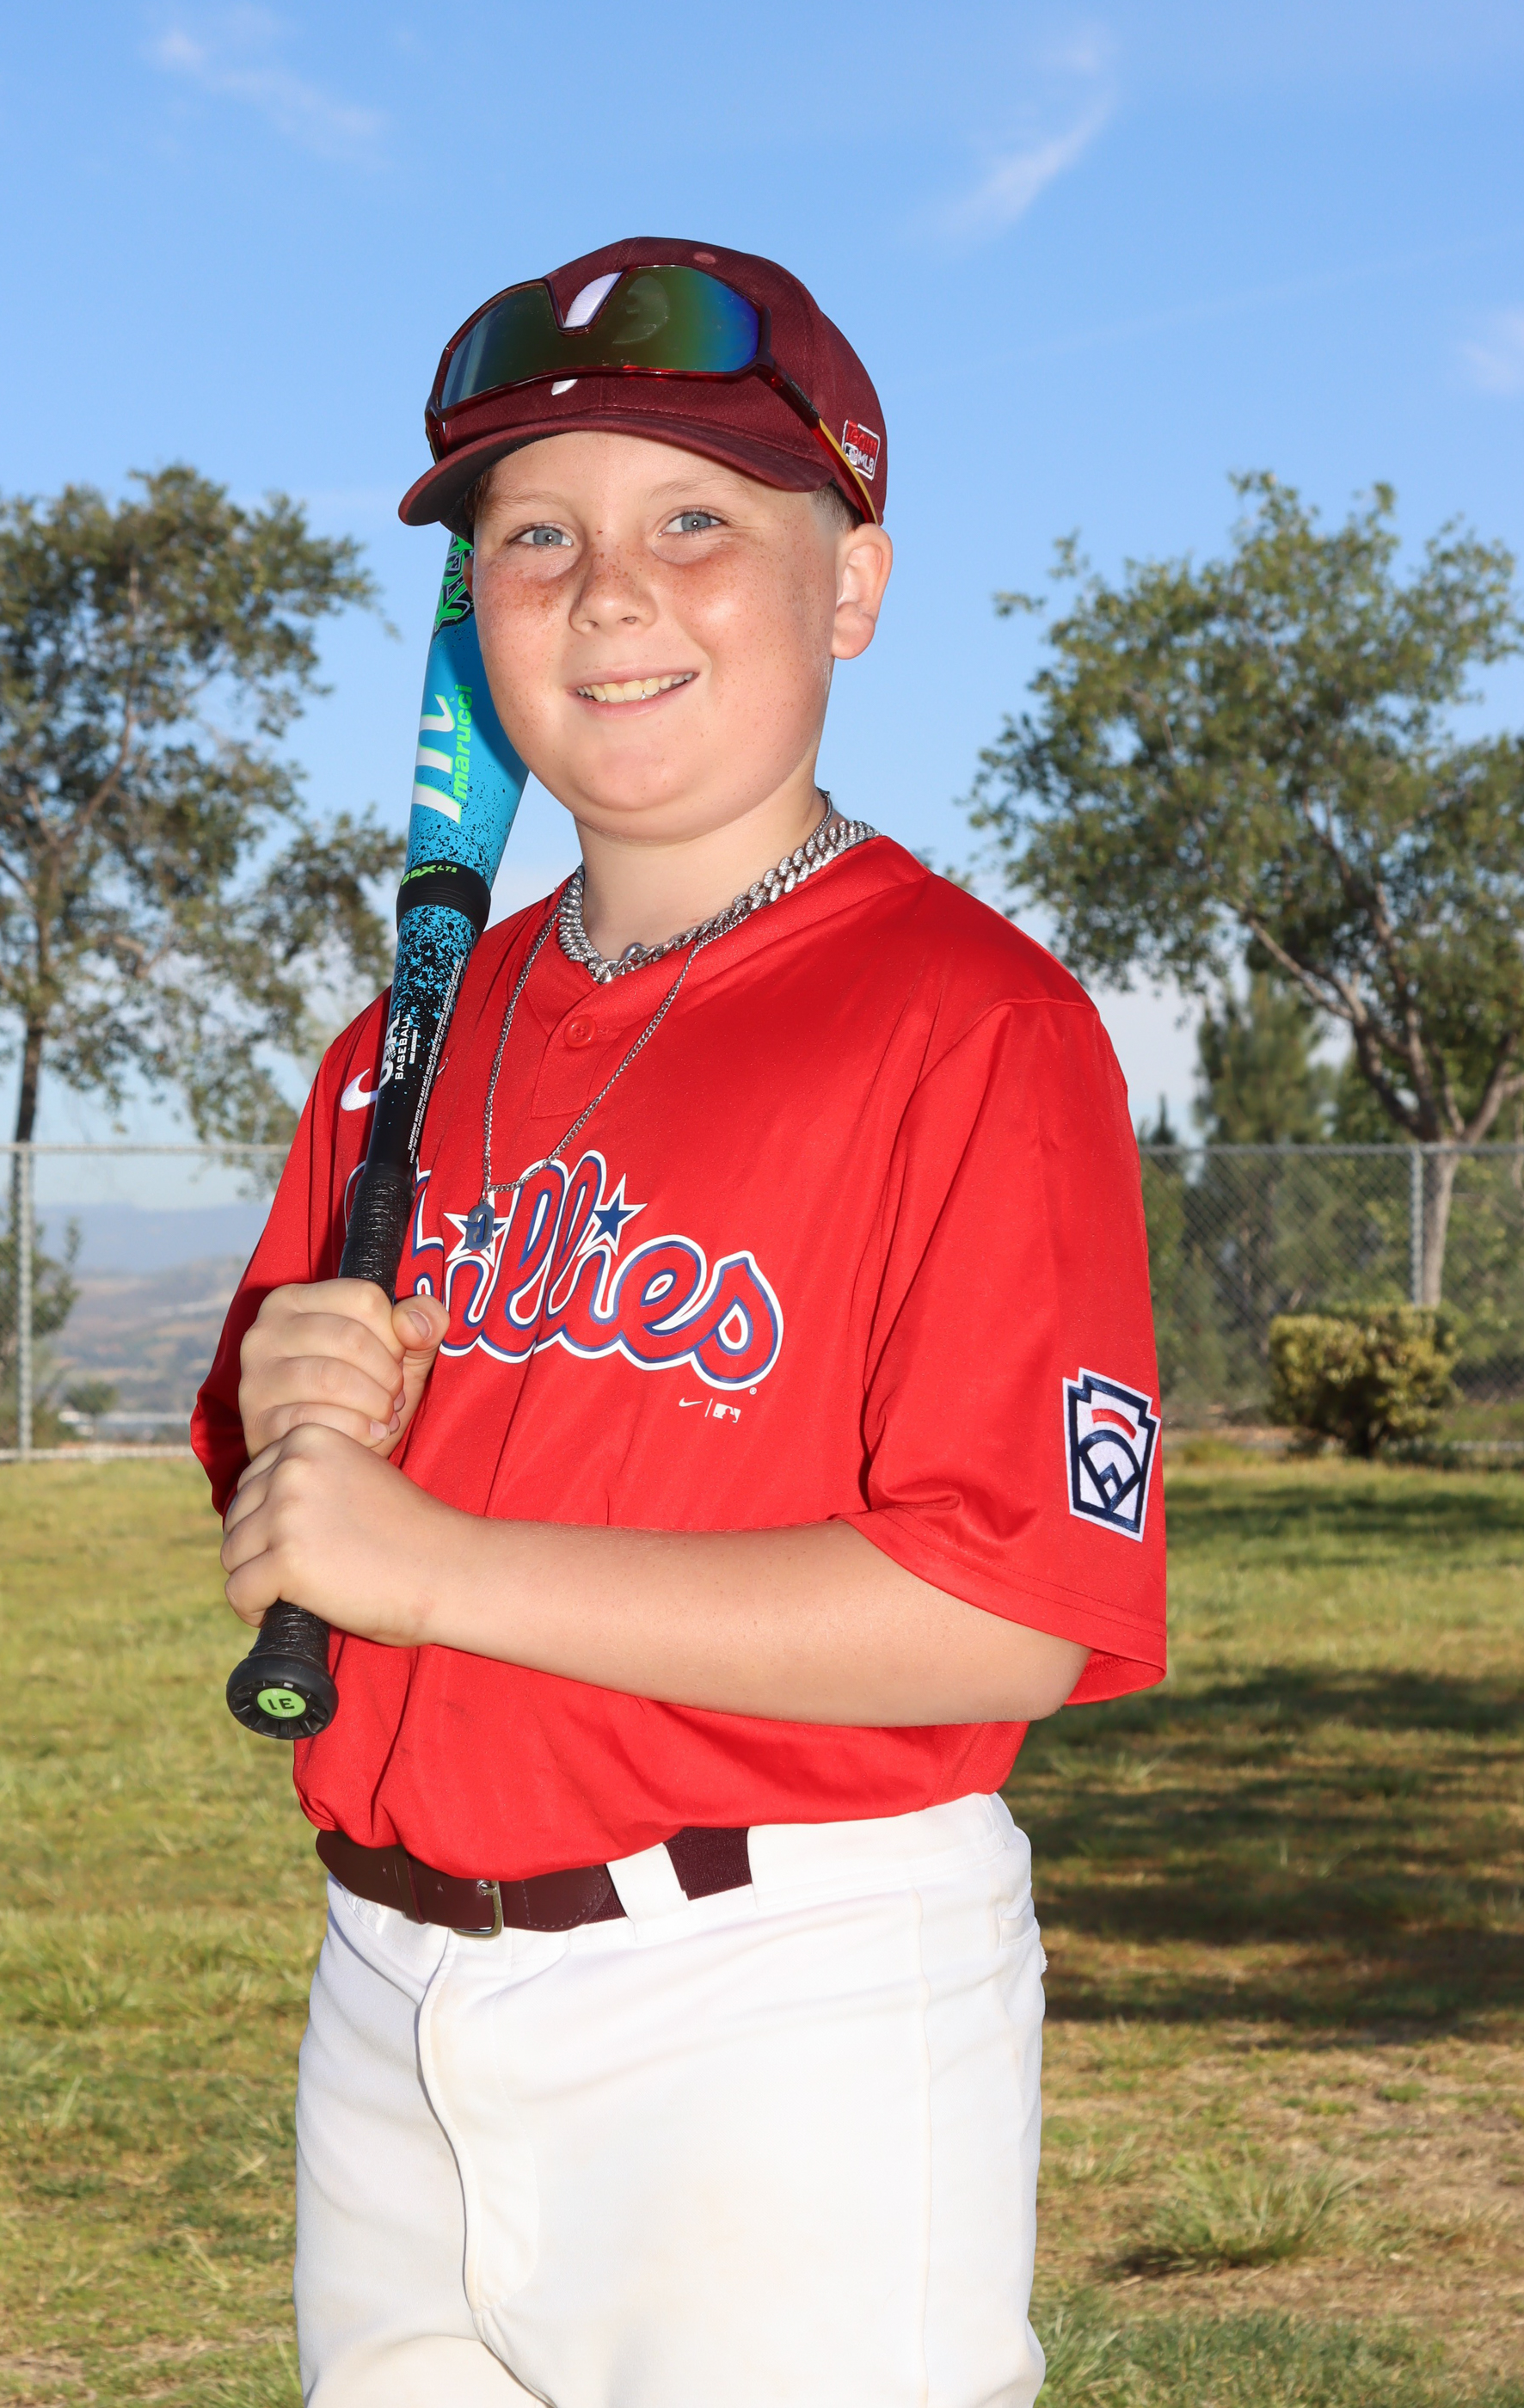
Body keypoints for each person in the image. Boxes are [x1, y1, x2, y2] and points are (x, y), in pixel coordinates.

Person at [193, 235, 1166, 2408]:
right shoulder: (396, 1048)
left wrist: (429, 1562)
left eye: (696, 520)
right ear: (473, 617)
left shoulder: (968, 1021)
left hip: (783, 2001)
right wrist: (286, 1429)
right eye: (532, 536)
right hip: (385, 1985)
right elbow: (301, 1534)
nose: (608, 589)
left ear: (854, 585)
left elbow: (1004, 1611)